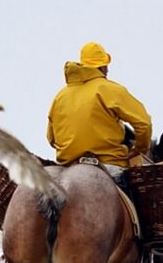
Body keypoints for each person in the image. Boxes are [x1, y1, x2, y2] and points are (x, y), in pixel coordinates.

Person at [48, 42, 155, 172]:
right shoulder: (109, 89)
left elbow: (51, 138)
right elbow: (144, 124)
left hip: (68, 166)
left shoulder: (60, 96)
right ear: (103, 67)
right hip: (109, 164)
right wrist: (139, 149)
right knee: (137, 191)